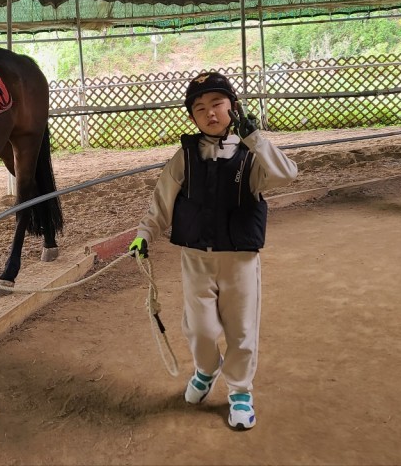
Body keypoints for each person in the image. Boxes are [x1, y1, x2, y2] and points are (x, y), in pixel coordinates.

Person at [127, 72, 298, 431]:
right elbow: (161, 203)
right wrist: (144, 234)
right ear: (193, 117)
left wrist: (257, 140)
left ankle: (239, 390)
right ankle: (206, 368)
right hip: (196, 259)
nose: (210, 113)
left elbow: (286, 175)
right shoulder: (184, 157)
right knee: (200, 328)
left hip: (239, 258)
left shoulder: (252, 156)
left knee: (241, 328)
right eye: (200, 108)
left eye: (217, 104)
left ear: (232, 108)